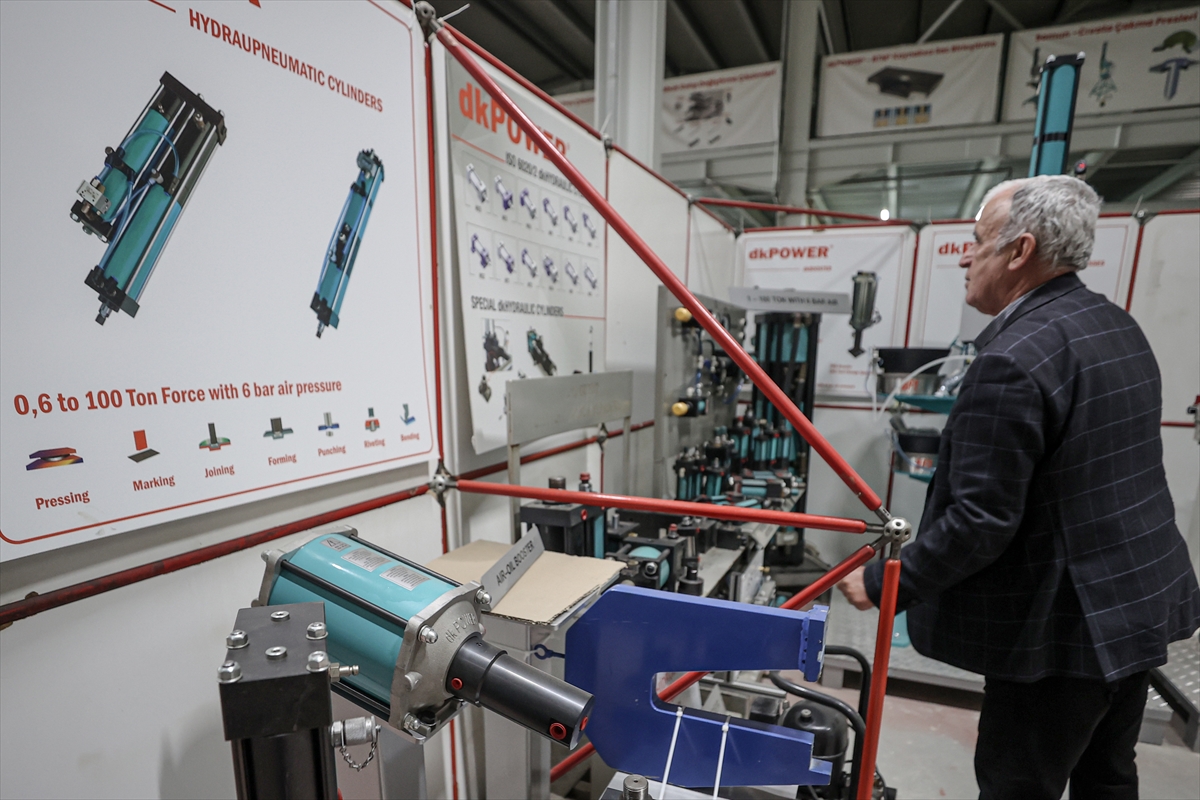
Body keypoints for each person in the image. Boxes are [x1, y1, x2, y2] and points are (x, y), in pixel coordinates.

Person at [837, 175, 1200, 800]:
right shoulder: (1113, 324)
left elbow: (980, 520)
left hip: (1062, 631)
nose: (964, 257)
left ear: (1019, 250)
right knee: (1108, 777)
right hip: (1133, 606)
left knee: (1016, 786)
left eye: (977, 240)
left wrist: (881, 582)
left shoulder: (1013, 359)